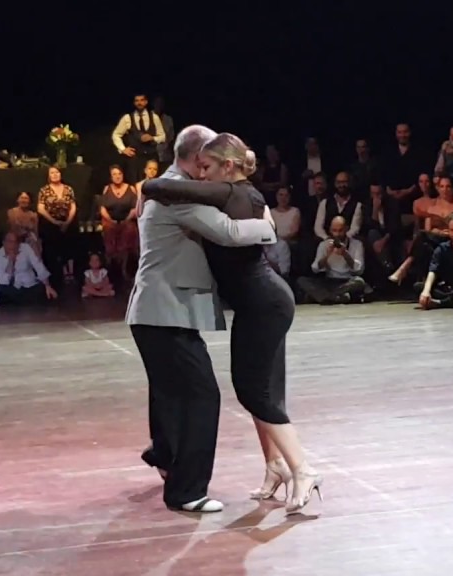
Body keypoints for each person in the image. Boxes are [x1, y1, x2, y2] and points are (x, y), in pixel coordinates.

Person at [141, 132, 324, 514]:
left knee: (254, 391)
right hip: (259, 302)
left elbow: (224, 228)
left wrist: (268, 227)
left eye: (207, 169)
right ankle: (275, 464)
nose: (201, 177)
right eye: (199, 167)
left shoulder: (233, 193)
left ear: (227, 166)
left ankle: (302, 468)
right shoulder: (230, 191)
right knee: (260, 389)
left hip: (264, 302)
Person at [126, 125, 277, 514]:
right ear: (197, 161)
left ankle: (165, 456)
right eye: (208, 163)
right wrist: (268, 225)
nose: (211, 173)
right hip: (164, 310)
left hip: (159, 311)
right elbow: (226, 231)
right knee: (201, 395)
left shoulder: (170, 186)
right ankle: (187, 490)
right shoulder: (178, 194)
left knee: (171, 391)